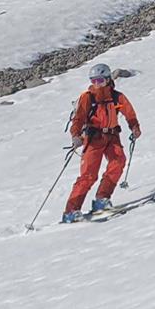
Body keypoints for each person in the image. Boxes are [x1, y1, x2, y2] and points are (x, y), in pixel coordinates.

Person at [62, 63, 141, 223]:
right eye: (93, 81)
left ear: (108, 79)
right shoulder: (87, 97)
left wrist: (134, 127)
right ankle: (71, 211)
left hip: (112, 137)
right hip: (93, 138)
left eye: (100, 80)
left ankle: (102, 200)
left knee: (118, 162)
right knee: (88, 175)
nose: (96, 84)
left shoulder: (117, 97)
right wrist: (75, 135)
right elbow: (79, 118)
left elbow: (129, 113)